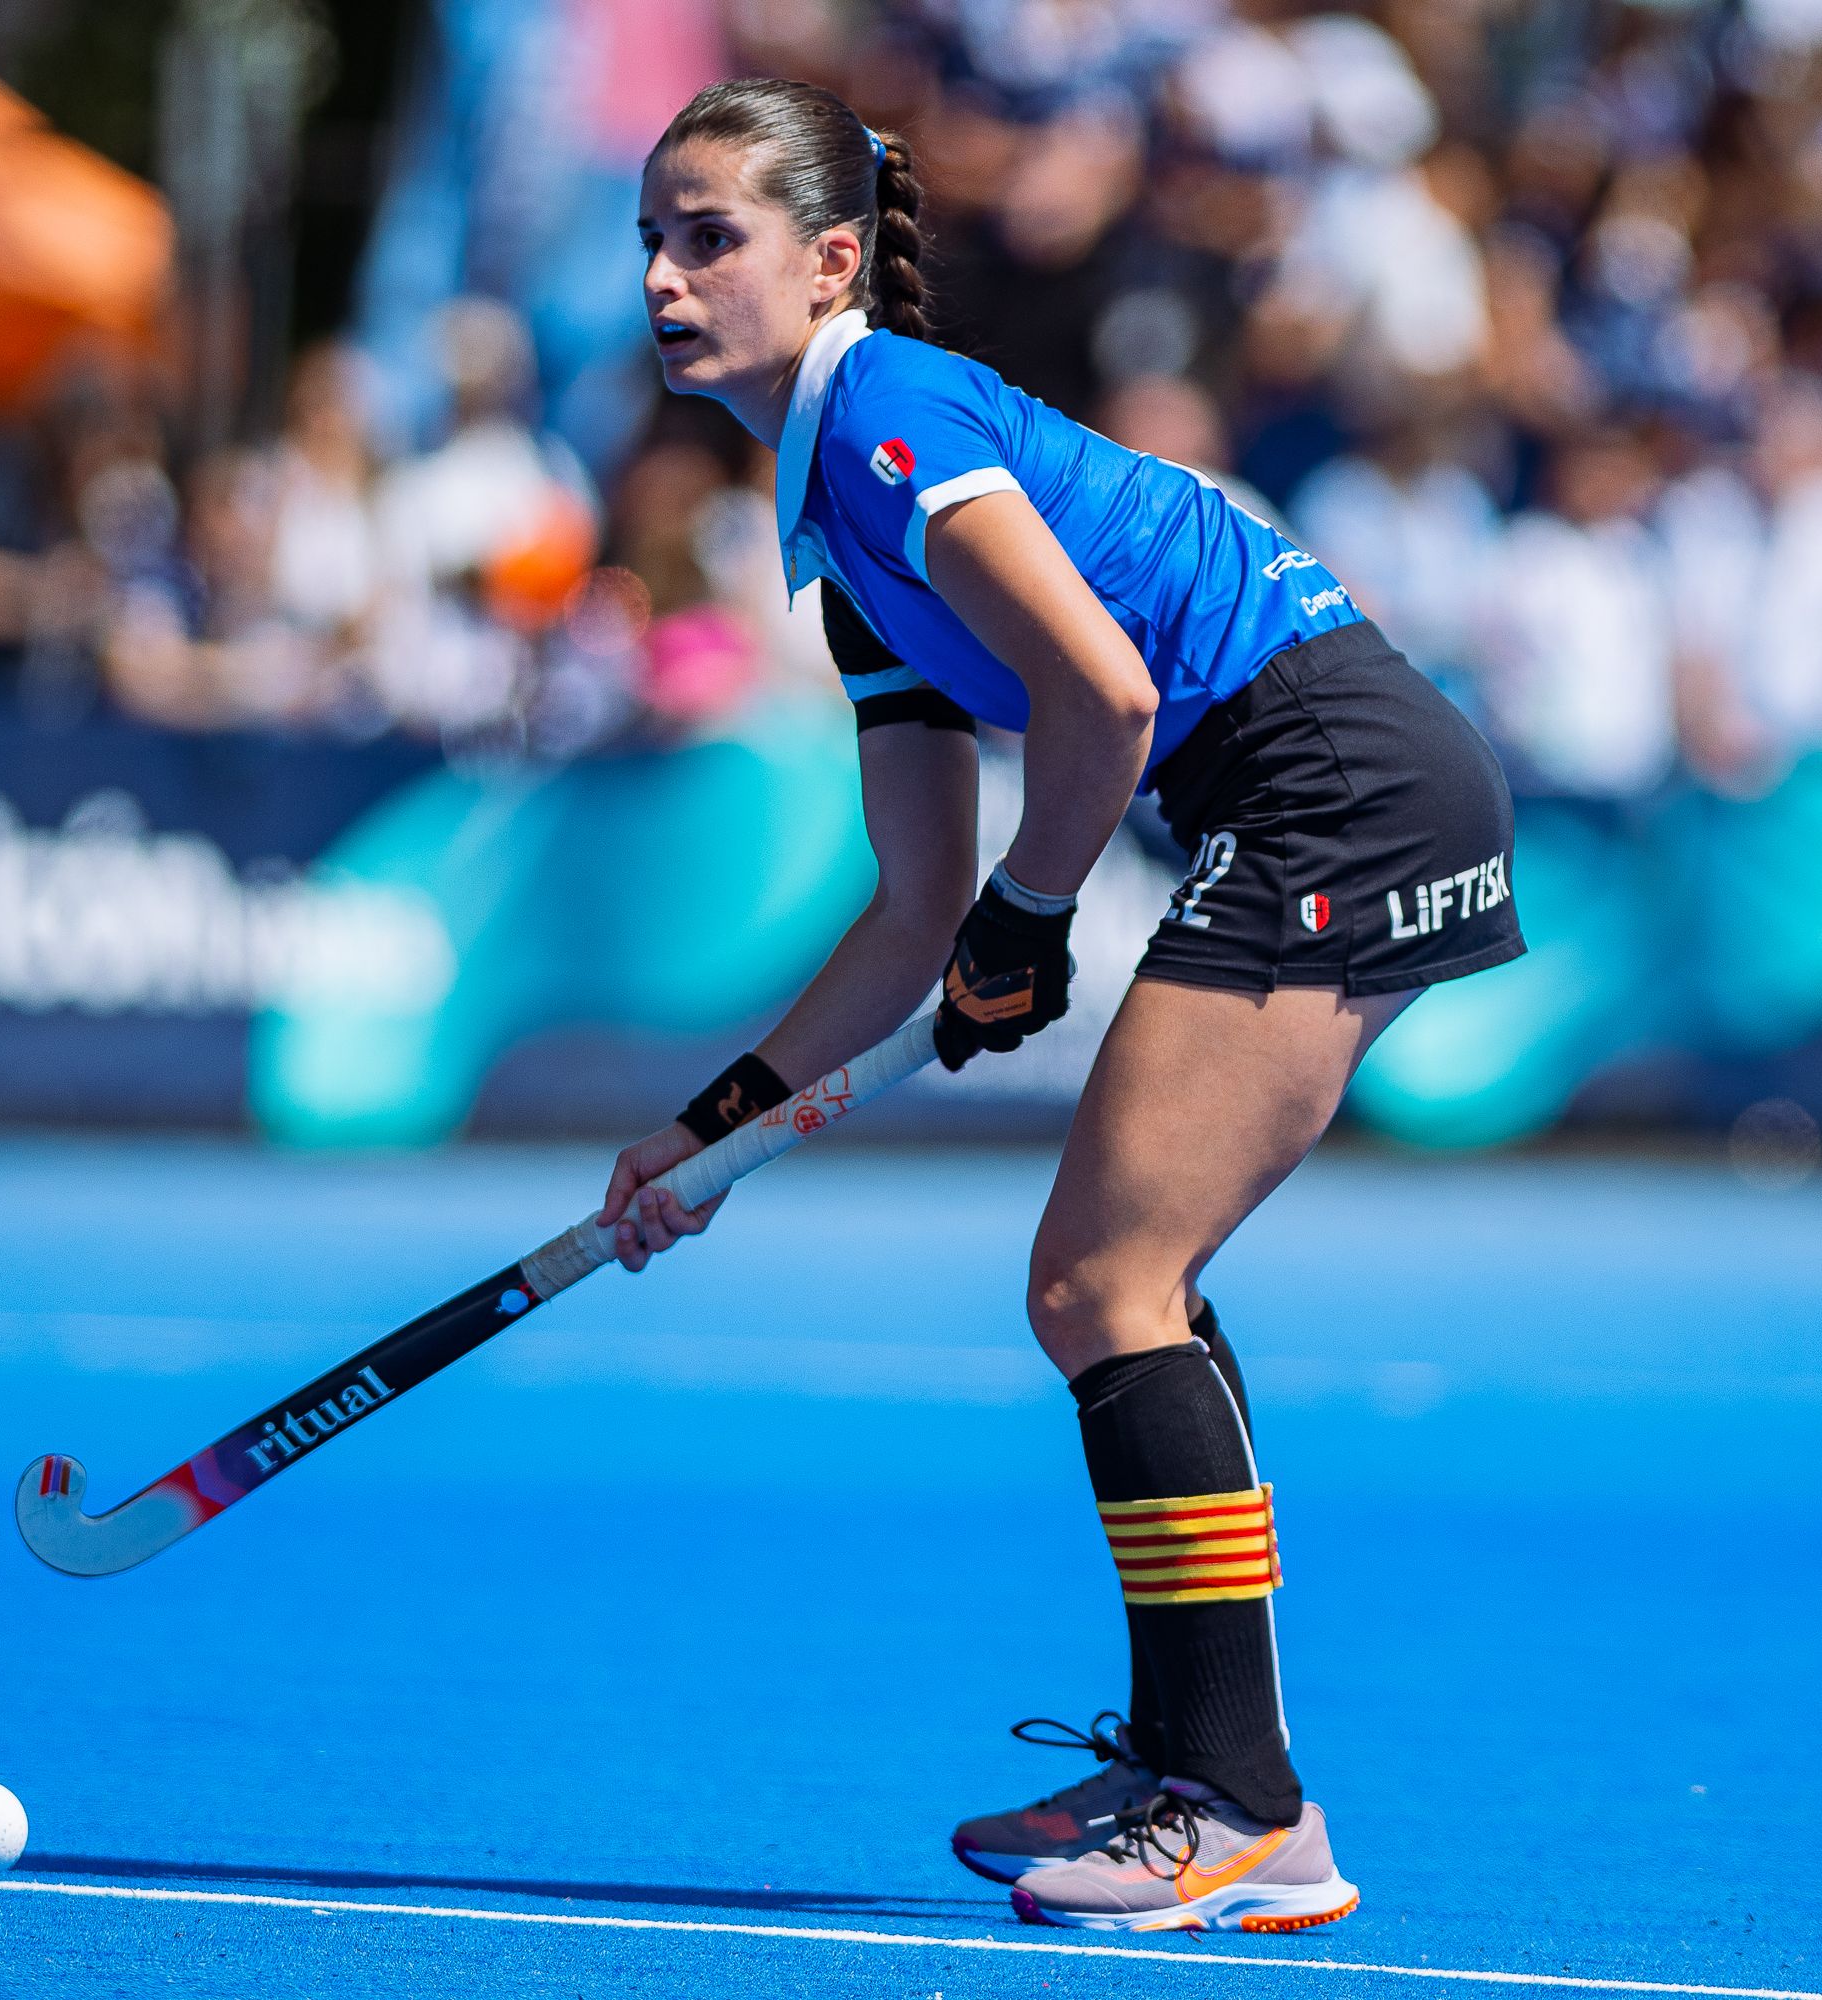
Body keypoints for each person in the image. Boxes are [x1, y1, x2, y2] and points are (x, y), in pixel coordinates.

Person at [600, 78, 1524, 1934]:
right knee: (1131, 1283)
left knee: (1099, 1283)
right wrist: (708, 1132)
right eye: (650, 239)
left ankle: (1245, 1809)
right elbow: (914, 904)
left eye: (711, 237)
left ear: (833, 260)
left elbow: (1099, 699)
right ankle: (1211, 1772)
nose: (664, 278)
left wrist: (1034, 917)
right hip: (1307, 778)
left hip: (1328, 773)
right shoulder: (844, 541)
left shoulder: (883, 425)